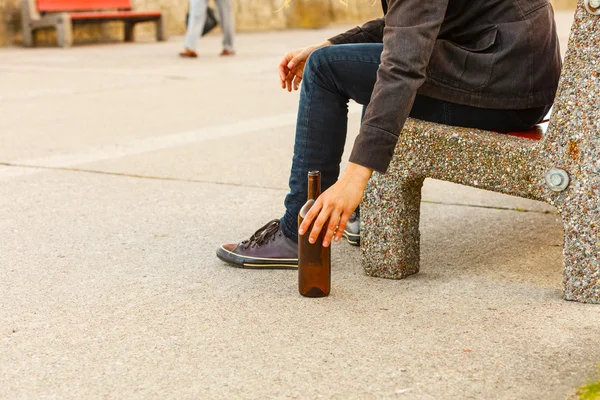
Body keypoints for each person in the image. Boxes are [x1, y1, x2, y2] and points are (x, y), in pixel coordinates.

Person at [217, 0, 562, 269]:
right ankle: (361, 215)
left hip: (499, 84)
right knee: (339, 63)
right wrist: (327, 44)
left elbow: (402, 66)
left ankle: (299, 232)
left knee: (328, 71)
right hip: (511, 76)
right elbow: (407, 24)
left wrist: (355, 178)